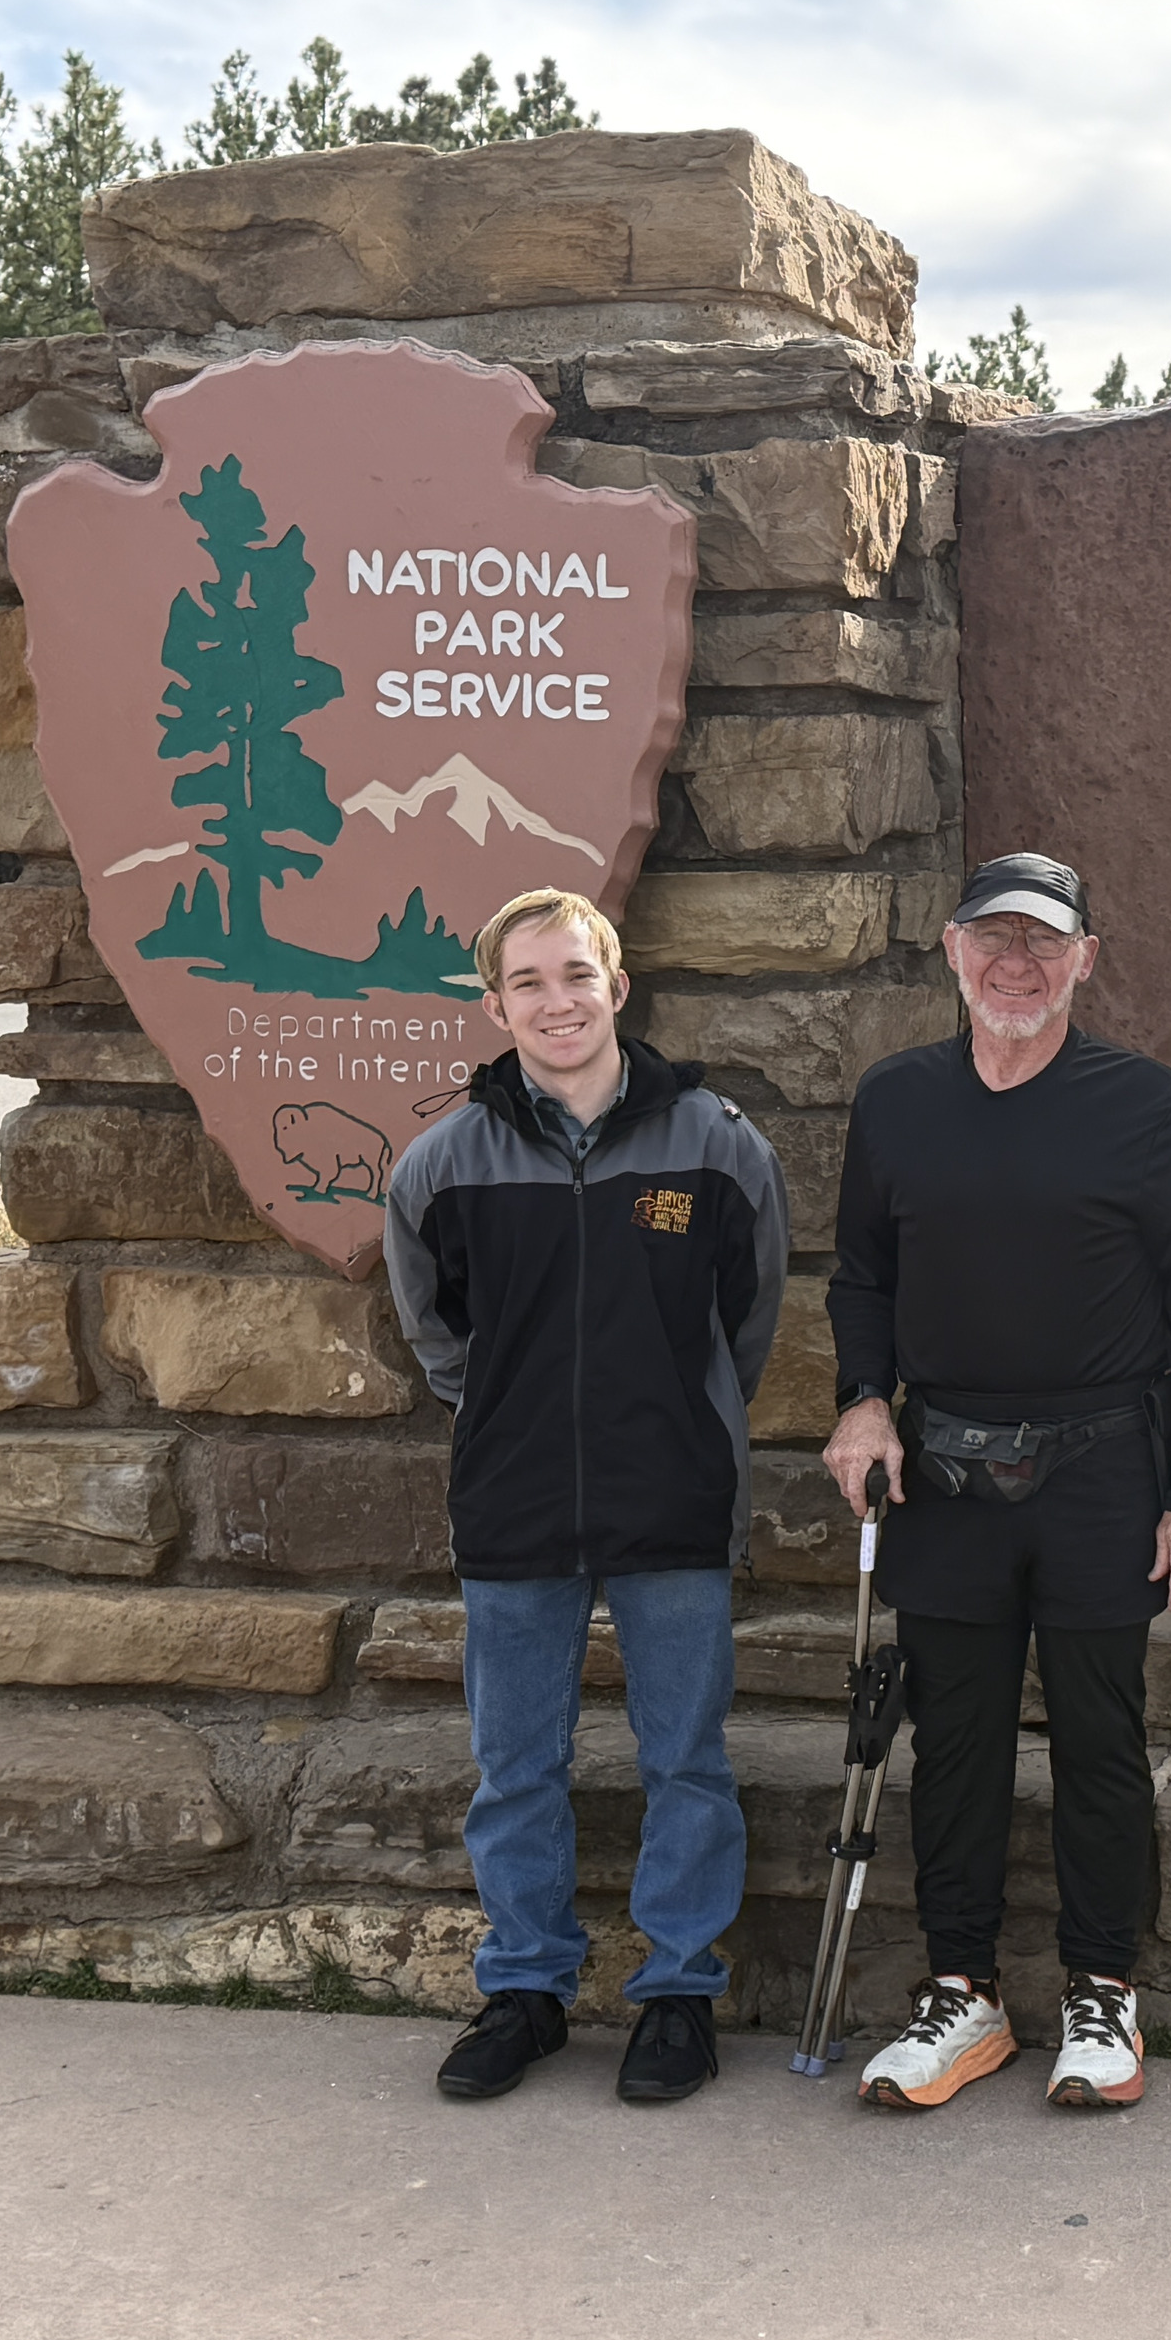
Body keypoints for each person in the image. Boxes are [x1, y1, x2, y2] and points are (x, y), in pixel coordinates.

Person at [823, 850, 1171, 2113]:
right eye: (993, 938)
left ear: (1083, 961)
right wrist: (862, 1399)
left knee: (1099, 1738)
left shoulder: (1149, 1107)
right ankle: (961, 1995)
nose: (1017, 963)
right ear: (953, 951)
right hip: (944, 1469)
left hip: (1104, 1467)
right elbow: (862, 1276)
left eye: (1042, 941)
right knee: (952, 1742)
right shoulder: (895, 1100)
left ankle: (1101, 1992)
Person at [385, 886, 788, 2105]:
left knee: (686, 1759)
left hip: (672, 1497)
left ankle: (678, 1992)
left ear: (616, 986)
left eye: (574, 974)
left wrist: (679, 1410)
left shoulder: (717, 1144)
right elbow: (438, 1337)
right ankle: (525, 1988)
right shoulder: (441, 1164)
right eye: (527, 981)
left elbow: (747, 1316)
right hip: (513, 1505)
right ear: (494, 1004)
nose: (553, 1001)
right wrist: (510, 1415)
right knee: (515, 1764)